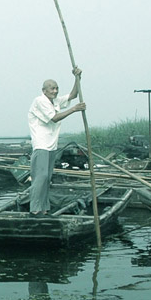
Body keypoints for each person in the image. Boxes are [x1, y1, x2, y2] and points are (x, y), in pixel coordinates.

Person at [26, 68, 86, 215]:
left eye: (57, 88)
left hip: (51, 146)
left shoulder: (55, 101)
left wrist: (77, 78)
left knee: (47, 178)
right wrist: (74, 109)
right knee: (41, 177)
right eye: (52, 88)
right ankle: (34, 210)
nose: (55, 91)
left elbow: (73, 94)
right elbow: (54, 117)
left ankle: (44, 209)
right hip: (41, 145)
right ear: (44, 90)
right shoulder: (40, 101)